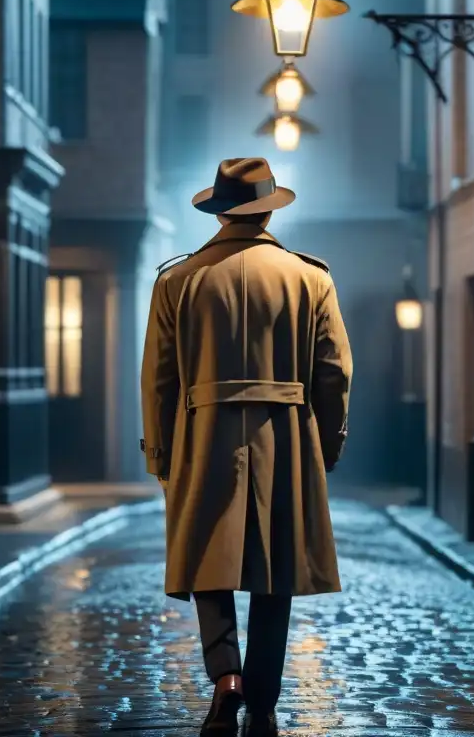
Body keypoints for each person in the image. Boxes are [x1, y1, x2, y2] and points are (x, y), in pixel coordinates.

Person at [139, 158, 354, 737]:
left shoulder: (176, 281)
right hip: (284, 435)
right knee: (275, 563)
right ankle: (263, 696)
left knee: (205, 552)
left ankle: (225, 675)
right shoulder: (310, 277)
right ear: (267, 208)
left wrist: (160, 455)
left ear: (219, 210)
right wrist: (325, 445)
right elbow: (334, 372)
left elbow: (158, 379)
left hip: (201, 431)